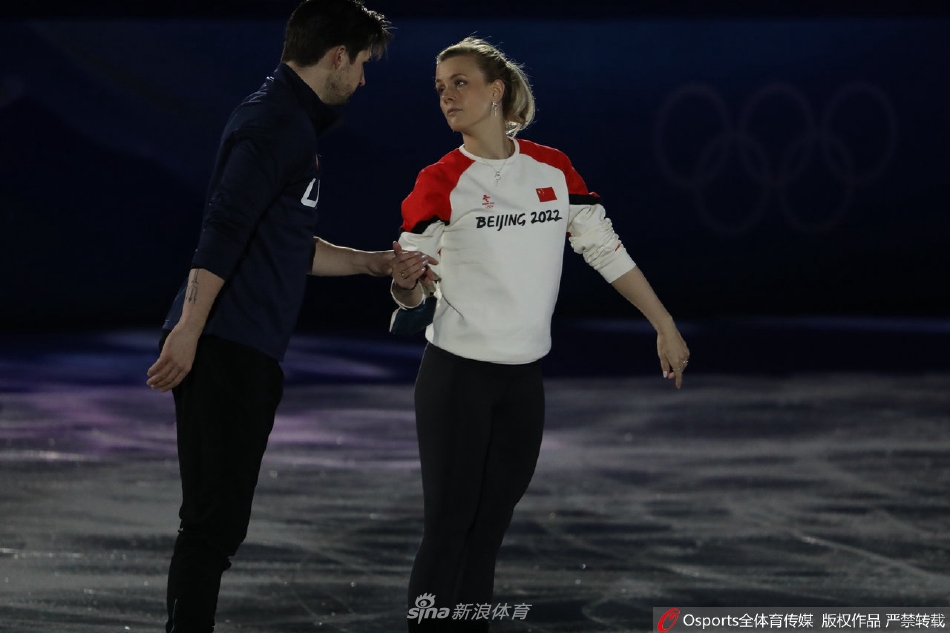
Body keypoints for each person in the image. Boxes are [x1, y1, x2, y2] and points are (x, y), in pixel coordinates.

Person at [389, 37, 691, 631]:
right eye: (440, 88)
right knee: (448, 529)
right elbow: (411, 289)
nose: (447, 96)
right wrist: (405, 285)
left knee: (488, 532)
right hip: (456, 380)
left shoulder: (552, 168)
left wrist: (665, 324)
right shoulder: (439, 180)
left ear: (496, 90)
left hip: (523, 382)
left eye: (460, 83)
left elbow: (605, 249)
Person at [144, 2, 413, 631]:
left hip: (239, 344)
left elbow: (284, 241)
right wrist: (190, 329)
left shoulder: (284, 119)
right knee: (211, 526)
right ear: (337, 57)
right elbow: (224, 227)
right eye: (362, 64)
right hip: (228, 345)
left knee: (217, 522)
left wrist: (371, 263)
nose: (362, 80)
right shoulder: (276, 123)